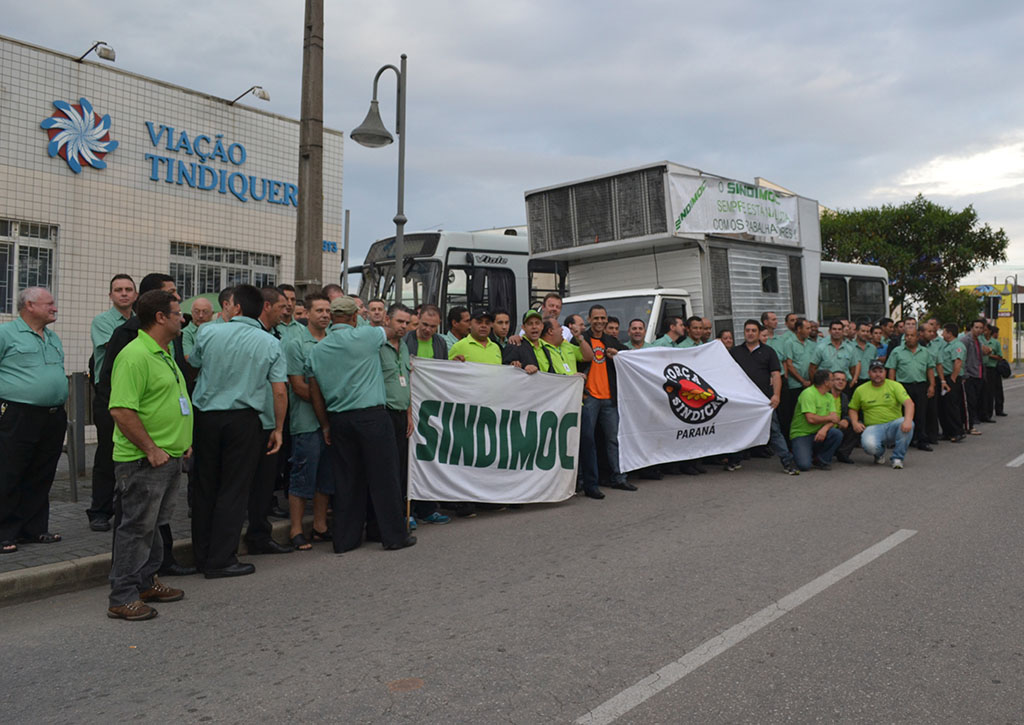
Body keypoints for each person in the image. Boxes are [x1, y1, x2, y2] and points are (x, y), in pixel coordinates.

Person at [97, 273, 195, 576]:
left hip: (169, 454)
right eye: (178, 314)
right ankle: (124, 594)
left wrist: (183, 441)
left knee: (153, 526)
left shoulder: (164, 351)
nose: (183, 320)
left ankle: (147, 581)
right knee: (136, 529)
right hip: (145, 458)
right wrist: (151, 449)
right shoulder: (135, 354)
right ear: (160, 317)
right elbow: (122, 409)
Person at [190, 284, 287, 578]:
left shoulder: (208, 331)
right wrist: (278, 428)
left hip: (206, 418)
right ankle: (222, 559)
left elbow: (194, 363)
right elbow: (279, 391)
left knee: (204, 486)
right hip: (245, 420)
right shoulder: (269, 342)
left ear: (237, 308)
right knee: (234, 489)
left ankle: (202, 555)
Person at [308, 296, 415, 552]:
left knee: (346, 480)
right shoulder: (366, 336)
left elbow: (315, 392)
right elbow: (392, 331)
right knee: (384, 477)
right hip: (371, 416)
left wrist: (325, 425)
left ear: (332, 318)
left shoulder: (317, 350)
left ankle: (345, 540)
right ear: (354, 317)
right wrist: (374, 320)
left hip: (338, 418)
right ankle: (393, 536)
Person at [0, 287, 68, 554]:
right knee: (9, 472)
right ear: (29, 305)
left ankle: (34, 529)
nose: (55, 308)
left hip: (51, 416)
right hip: (17, 415)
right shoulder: (6, 334)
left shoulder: (52, 338)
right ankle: (5, 532)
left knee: (42, 472)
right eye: (49, 303)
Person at [282, 293, 334, 551]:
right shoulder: (295, 343)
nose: (324, 315)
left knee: (326, 476)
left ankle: (320, 526)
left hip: (332, 420)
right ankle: (295, 529)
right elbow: (298, 386)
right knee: (302, 474)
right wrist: (325, 406)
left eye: (327, 310)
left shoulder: (335, 341)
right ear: (308, 314)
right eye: (319, 311)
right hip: (306, 421)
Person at [244, 287, 294, 553]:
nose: (285, 311)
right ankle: (257, 536)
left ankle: (259, 532)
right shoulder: (261, 338)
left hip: (259, 418)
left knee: (263, 485)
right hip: (259, 420)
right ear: (266, 306)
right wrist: (278, 427)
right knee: (256, 482)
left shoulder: (273, 335)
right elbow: (279, 388)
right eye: (280, 307)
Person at [87, 274, 137, 532]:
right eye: (118, 290)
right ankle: (99, 511)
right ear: (111, 295)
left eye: (128, 289)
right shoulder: (102, 322)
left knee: (131, 453)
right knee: (107, 452)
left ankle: (125, 506)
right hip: (109, 394)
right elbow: (116, 347)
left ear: (136, 294)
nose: (124, 294)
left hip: (135, 395)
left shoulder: (141, 321)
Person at [400, 304, 451, 525]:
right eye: (425, 325)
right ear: (417, 320)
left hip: (430, 408)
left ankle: (427, 508)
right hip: (409, 405)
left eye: (433, 326)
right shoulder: (406, 341)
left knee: (429, 456)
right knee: (408, 460)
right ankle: (406, 510)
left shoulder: (440, 343)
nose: (428, 330)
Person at [727, 320, 799, 475]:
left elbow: (776, 375)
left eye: (754, 330)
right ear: (744, 332)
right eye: (747, 330)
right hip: (742, 400)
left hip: (763, 401)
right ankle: (734, 460)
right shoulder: (735, 352)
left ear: (759, 333)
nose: (750, 333)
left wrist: (776, 395)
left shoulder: (769, 352)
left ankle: (788, 462)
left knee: (774, 431)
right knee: (739, 430)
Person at [577, 304, 631, 498]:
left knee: (613, 439)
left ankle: (619, 477)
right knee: (586, 440)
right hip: (589, 397)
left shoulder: (611, 341)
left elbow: (630, 357)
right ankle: (583, 481)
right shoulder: (581, 340)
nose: (600, 321)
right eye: (596, 318)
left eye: (603, 318)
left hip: (609, 398)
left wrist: (618, 355)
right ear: (589, 320)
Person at [379, 303, 414, 535]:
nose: (403, 326)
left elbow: (407, 380)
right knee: (386, 469)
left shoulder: (404, 347)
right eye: (399, 321)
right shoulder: (377, 346)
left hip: (403, 415)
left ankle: (401, 514)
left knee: (401, 467)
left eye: (406, 322)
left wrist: (410, 413)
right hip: (385, 413)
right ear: (386, 320)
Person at [849, 360, 915, 469]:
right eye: (874, 371)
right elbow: (853, 409)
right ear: (869, 373)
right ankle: (879, 454)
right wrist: (855, 422)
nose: (878, 374)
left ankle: (897, 458)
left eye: (881, 371)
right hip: (873, 427)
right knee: (869, 446)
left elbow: (909, 403)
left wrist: (907, 420)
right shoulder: (860, 390)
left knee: (909, 423)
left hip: (894, 425)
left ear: (885, 373)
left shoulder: (895, 386)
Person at [886, 328, 934, 452]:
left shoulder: (925, 352)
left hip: (920, 385)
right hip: (903, 386)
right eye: (907, 335)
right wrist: (892, 387)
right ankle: (902, 440)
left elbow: (930, 369)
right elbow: (892, 369)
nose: (909, 338)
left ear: (917, 337)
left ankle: (921, 440)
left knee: (921, 413)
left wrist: (932, 385)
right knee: (901, 414)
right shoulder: (897, 351)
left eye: (912, 335)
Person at [788, 369, 842, 471]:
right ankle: (795, 454)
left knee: (836, 434)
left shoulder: (829, 396)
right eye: (832, 379)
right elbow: (811, 419)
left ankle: (822, 460)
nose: (834, 382)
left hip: (819, 432)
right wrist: (829, 418)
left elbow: (834, 418)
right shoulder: (808, 394)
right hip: (802, 433)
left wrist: (825, 429)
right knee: (804, 466)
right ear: (826, 382)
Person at [780, 318, 814, 437]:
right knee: (793, 413)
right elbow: (789, 364)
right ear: (799, 329)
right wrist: (802, 380)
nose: (810, 330)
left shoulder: (811, 344)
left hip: (810, 384)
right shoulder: (790, 343)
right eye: (807, 328)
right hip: (795, 385)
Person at [937, 323, 967, 441]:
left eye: (944, 331)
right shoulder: (946, 345)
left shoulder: (957, 345)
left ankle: (957, 432)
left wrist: (953, 378)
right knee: (944, 406)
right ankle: (947, 432)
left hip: (952, 377)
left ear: (949, 333)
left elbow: (958, 362)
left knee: (952, 406)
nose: (942, 334)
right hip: (945, 377)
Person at [960, 319, 990, 432]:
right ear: (972, 328)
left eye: (981, 328)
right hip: (969, 376)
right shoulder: (965, 340)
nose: (978, 330)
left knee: (976, 401)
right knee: (969, 401)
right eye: (976, 327)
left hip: (979, 374)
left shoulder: (978, 340)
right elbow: (962, 358)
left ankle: (971, 423)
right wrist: (965, 374)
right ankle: (969, 426)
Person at [830, 370, 858, 464]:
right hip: (824, 428)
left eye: (843, 380)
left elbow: (847, 413)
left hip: (838, 428)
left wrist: (846, 420)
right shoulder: (824, 395)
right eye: (837, 379)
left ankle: (843, 453)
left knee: (858, 425)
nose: (841, 382)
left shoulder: (844, 397)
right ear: (831, 381)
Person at [984, 324, 1006, 417]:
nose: (983, 331)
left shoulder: (995, 342)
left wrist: (989, 355)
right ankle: (985, 413)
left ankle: (998, 410)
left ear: (989, 331)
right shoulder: (980, 341)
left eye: (985, 330)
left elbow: (1000, 356)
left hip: (992, 369)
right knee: (985, 392)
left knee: (996, 391)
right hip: (982, 368)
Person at [850, 322, 877, 389]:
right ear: (857, 331)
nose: (865, 333)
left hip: (869, 381)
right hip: (854, 381)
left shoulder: (873, 348)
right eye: (863, 331)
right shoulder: (849, 346)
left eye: (867, 331)